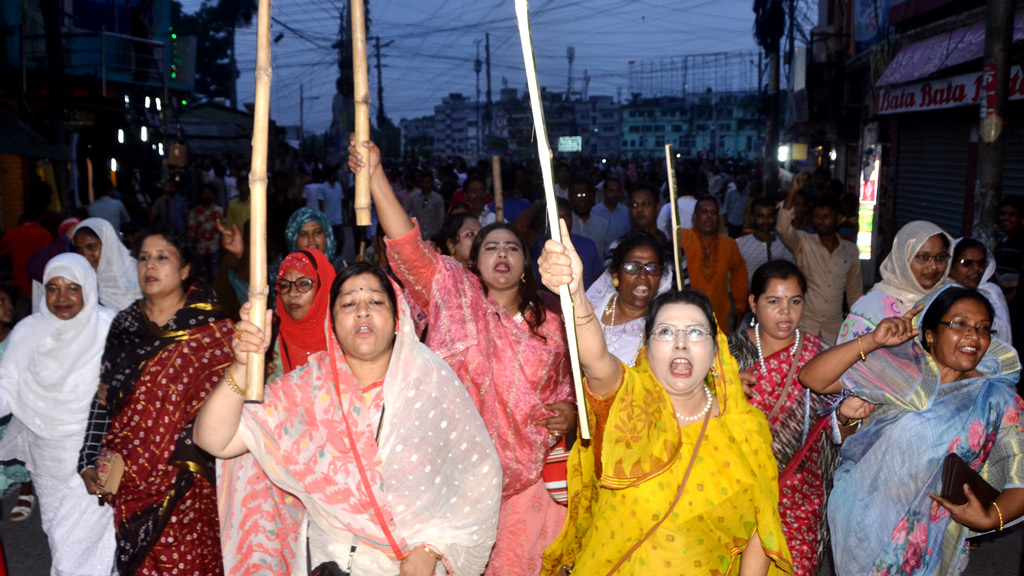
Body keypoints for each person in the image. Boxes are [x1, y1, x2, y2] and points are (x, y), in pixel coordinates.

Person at [350, 138, 575, 575]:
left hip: (531, 485)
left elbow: (569, 392)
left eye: (512, 247)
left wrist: (568, 413)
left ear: (526, 263)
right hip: (458, 475)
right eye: (490, 247)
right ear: (473, 262)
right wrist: (375, 175)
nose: (502, 254)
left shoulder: (551, 323)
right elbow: (408, 247)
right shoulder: (454, 293)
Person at [196, 262, 502, 575]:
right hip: (330, 562)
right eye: (348, 304)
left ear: (398, 318)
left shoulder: (432, 383)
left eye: (376, 301)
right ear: (332, 321)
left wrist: (433, 549)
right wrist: (241, 367)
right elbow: (213, 440)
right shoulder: (307, 390)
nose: (362, 311)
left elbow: (480, 478)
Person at [537, 230, 792, 575]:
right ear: (647, 345)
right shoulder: (627, 407)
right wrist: (576, 295)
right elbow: (596, 361)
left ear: (717, 350)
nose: (682, 344)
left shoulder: (746, 429)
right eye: (667, 332)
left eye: (696, 332)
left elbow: (762, 529)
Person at [799, 286, 1024, 576]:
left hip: (929, 541)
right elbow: (813, 378)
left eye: (982, 328)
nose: (973, 336)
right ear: (929, 333)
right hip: (863, 523)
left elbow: (1020, 477)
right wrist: (872, 341)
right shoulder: (900, 369)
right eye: (960, 324)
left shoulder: (996, 398)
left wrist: (993, 518)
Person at [77, 228, 234, 575]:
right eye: (144, 258)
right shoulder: (126, 325)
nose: (151, 265)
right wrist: (88, 458)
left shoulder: (212, 330)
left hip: (190, 481)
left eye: (163, 257)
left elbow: (239, 398)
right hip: (131, 478)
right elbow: (105, 398)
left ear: (184, 269)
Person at [727, 261, 868, 576]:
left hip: (801, 494)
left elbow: (841, 438)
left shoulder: (822, 357)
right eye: (773, 302)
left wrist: (846, 418)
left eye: (795, 301)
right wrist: (722, 390)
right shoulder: (728, 355)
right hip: (739, 490)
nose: (785, 312)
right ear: (753, 303)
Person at [0, 254, 117, 575]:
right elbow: (6, 387)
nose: (61, 298)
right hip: (45, 459)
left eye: (72, 288)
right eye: (53, 288)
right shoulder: (28, 331)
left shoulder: (110, 328)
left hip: (95, 457)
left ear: (88, 289)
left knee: (74, 557)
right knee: (58, 536)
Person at [836, 220, 952, 346]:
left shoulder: (950, 299)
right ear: (902, 259)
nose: (933, 266)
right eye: (923, 257)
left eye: (940, 257)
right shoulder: (871, 306)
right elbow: (846, 356)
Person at [778, 173, 862, 344]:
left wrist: (857, 326)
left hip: (835, 328)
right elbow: (782, 227)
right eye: (817, 217)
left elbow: (854, 293)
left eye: (826, 216)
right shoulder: (804, 243)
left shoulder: (850, 251)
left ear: (838, 219)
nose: (821, 221)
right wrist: (793, 190)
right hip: (805, 325)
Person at [586, 232, 672, 366]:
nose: (643, 276)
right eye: (632, 267)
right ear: (616, 275)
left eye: (652, 268)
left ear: (660, 279)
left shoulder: (664, 325)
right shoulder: (592, 308)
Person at [678, 195, 749, 332]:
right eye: (704, 212)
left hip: (719, 319)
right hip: (685, 316)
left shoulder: (729, 244)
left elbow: (739, 273)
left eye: (713, 212)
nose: (709, 216)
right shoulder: (681, 238)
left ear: (719, 218)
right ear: (694, 217)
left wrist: (740, 305)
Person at [0, 285, 33, 522]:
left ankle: (26, 490)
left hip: (16, 407)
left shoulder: (18, 338)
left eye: (9, 302)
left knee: (21, 453)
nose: (9, 308)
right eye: (1, 303)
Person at [73, 218, 143, 311]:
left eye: (92, 247)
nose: (85, 255)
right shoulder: (79, 282)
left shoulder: (139, 272)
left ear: (108, 245)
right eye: (80, 250)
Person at [950, 237, 1011, 342]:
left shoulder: (992, 293)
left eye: (981, 264)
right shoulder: (938, 293)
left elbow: (1003, 337)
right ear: (950, 264)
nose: (976, 269)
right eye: (967, 263)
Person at [737, 197, 795, 284]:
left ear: (776, 216)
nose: (766, 221)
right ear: (752, 217)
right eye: (761, 216)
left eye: (770, 216)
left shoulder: (785, 243)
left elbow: (792, 270)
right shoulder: (740, 244)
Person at [404, 169, 446, 242]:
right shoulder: (413, 197)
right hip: (417, 236)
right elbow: (405, 212)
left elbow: (441, 218)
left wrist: (439, 234)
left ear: (432, 182)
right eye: (423, 182)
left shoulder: (438, 199)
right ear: (420, 183)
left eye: (428, 182)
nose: (426, 185)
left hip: (433, 236)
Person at [592, 177, 631, 242]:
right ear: (604, 191)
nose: (615, 194)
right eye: (611, 191)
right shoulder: (594, 212)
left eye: (617, 191)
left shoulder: (626, 212)